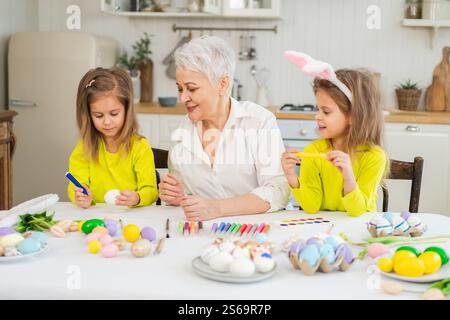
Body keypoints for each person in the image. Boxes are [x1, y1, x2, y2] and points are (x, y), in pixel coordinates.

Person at [158, 36, 289, 221]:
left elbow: (278, 191)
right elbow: (186, 197)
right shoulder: (182, 132)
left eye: (192, 89)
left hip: (255, 231)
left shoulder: (258, 122)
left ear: (222, 84)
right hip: (204, 234)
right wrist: (177, 197)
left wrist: (217, 208)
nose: (182, 98)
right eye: (180, 89)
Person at [281, 51, 387, 217]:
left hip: (359, 230)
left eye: (326, 111)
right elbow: (311, 206)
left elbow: (357, 211)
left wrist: (348, 176)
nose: (317, 116)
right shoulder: (313, 152)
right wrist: (291, 176)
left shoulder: (374, 157)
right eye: (318, 109)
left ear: (353, 116)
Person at [67, 67, 158, 208]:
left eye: (114, 114)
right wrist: (80, 195)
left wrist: (137, 197)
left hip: (131, 218)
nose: (107, 122)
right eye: (98, 115)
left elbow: (151, 191)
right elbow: (76, 185)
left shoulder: (139, 146)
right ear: (89, 115)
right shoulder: (84, 148)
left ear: (126, 109)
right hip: (96, 218)